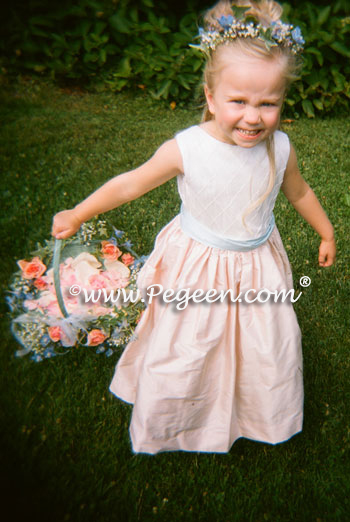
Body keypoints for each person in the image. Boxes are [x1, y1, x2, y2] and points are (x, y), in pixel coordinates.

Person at [52, 0, 336, 454]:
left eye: (268, 103)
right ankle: (177, 416)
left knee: (261, 343)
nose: (253, 116)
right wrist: (79, 212)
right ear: (210, 97)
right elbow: (129, 186)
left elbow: (298, 191)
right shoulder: (187, 148)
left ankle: (254, 409)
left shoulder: (280, 148)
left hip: (257, 265)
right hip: (197, 266)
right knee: (188, 344)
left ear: (282, 102)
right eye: (238, 101)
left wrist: (326, 231)